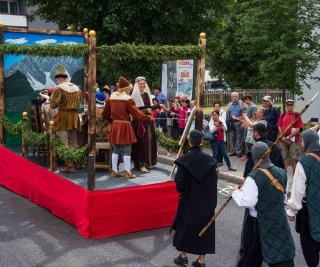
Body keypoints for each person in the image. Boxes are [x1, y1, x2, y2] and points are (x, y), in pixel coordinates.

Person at [232, 141, 295, 267]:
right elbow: (283, 197)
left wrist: (236, 192)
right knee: (279, 253)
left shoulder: (253, 177)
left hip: (258, 224)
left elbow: (247, 201)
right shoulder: (281, 172)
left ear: (255, 157)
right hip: (278, 219)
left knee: (251, 258)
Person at [171, 130, 218, 267]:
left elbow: (180, 185)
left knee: (186, 226)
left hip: (190, 200)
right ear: (201, 142)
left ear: (189, 141)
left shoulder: (184, 160)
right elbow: (213, 182)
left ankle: (183, 255)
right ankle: (201, 260)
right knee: (204, 227)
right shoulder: (211, 161)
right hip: (207, 201)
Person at [101, 76, 153, 178]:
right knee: (127, 149)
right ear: (126, 88)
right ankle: (127, 172)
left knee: (116, 148)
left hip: (115, 125)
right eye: (129, 88)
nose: (130, 89)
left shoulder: (112, 97)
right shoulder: (128, 99)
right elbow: (137, 114)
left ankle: (114, 171)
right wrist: (148, 117)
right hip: (125, 125)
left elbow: (105, 114)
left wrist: (113, 120)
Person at [286, 129, 320, 267]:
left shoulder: (303, 162)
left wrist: (291, 210)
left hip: (308, 211)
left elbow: (298, 191)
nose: (301, 144)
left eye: (302, 141)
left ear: (307, 142)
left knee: (310, 247)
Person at [50, 64, 82, 173]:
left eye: (57, 79)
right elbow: (79, 103)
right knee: (74, 140)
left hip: (63, 116)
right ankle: (78, 161)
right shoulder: (77, 88)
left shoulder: (59, 89)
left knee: (64, 141)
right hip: (74, 116)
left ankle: (69, 165)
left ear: (59, 78)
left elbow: (53, 105)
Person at [131, 76, 162, 173]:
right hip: (139, 122)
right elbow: (134, 111)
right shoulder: (134, 96)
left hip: (148, 121)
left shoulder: (147, 94)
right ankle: (141, 165)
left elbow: (149, 108)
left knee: (149, 140)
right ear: (137, 85)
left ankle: (148, 162)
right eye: (140, 84)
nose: (143, 85)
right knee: (142, 142)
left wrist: (158, 106)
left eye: (144, 83)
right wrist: (145, 110)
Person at [277, 99, 303, 174]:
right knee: (283, 156)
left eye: (291, 104)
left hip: (293, 139)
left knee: (294, 157)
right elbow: (279, 126)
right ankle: (284, 172)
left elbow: (298, 129)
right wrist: (282, 137)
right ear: (286, 106)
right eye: (288, 105)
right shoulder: (282, 114)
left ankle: (295, 173)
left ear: (293, 105)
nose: (289, 106)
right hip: (283, 138)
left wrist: (288, 137)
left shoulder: (297, 115)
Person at [226, 92, 247, 158]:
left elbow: (244, 112)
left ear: (238, 97)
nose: (234, 97)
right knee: (232, 137)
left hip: (239, 122)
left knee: (239, 137)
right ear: (231, 97)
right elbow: (227, 113)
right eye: (233, 96)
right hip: (231, 122)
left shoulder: (241, 104)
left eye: (236, 96)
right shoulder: (229, 104)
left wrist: (243, 121)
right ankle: (234, 151)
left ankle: (238, 152)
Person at [213, 101, 226, 166]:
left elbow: (221, 121)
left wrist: (217, 123)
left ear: (220, 106)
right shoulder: (213, 113)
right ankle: (216, 161)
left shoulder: (223, 113)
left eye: (218, 106)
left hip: (221, 132)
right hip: (215, 133)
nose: (216, 107)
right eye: (215, 106)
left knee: (221, 149)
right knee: (216, 149)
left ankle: (220, 160)